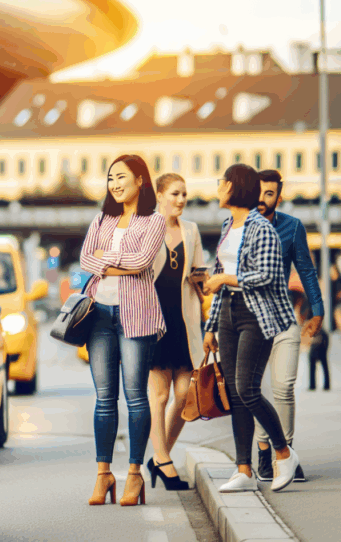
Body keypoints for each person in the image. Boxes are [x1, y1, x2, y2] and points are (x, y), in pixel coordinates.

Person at [202, 164, 300, 493]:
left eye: (222, 182)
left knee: (247, 388)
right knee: (234, 393)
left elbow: (269, 276)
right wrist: (210, 327)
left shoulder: (262, 228)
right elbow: (220, 277)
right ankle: (243, 470)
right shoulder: (229, 225)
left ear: (236, 187)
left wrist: (226, 279)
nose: (218, 187)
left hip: (256, 315)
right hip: (228, 312)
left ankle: (284, 454)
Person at [79, 154, 167, 507]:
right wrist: (116, 265)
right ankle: (103, 475)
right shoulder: (102, 217)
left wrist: (107, 262)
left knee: (135, 397)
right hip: (98, 314)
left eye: (122, 177)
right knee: (103, 401)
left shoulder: (153, 220)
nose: (115, 184)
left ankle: (134, 475)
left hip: (137, 316)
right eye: (110, 178)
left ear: (140, 180)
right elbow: (86, 258)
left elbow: (142, 261)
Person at [252, 170, 325, 483]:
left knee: (283, 388)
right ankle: (264, 453)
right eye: (258, 192)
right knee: (256, 390)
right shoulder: (242, 227)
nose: (262, 199)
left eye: (269, 193)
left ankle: (288, 455)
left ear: (278, 197)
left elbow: (307, 271)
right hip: (251, 320)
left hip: (283, 319)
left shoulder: (291, 227)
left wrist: (318, 310)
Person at [145, 173, 208, 491]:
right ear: (159, 195)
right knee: (159, 395)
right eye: (175, 193)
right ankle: (163, 460)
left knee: (185, 396)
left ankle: (160, 456)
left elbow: (199, 276)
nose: (181, 200)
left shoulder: (192, 230)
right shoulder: (145, 227)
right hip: (155, 323)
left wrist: (211, 298)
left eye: (185, 194)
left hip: (184, 324)